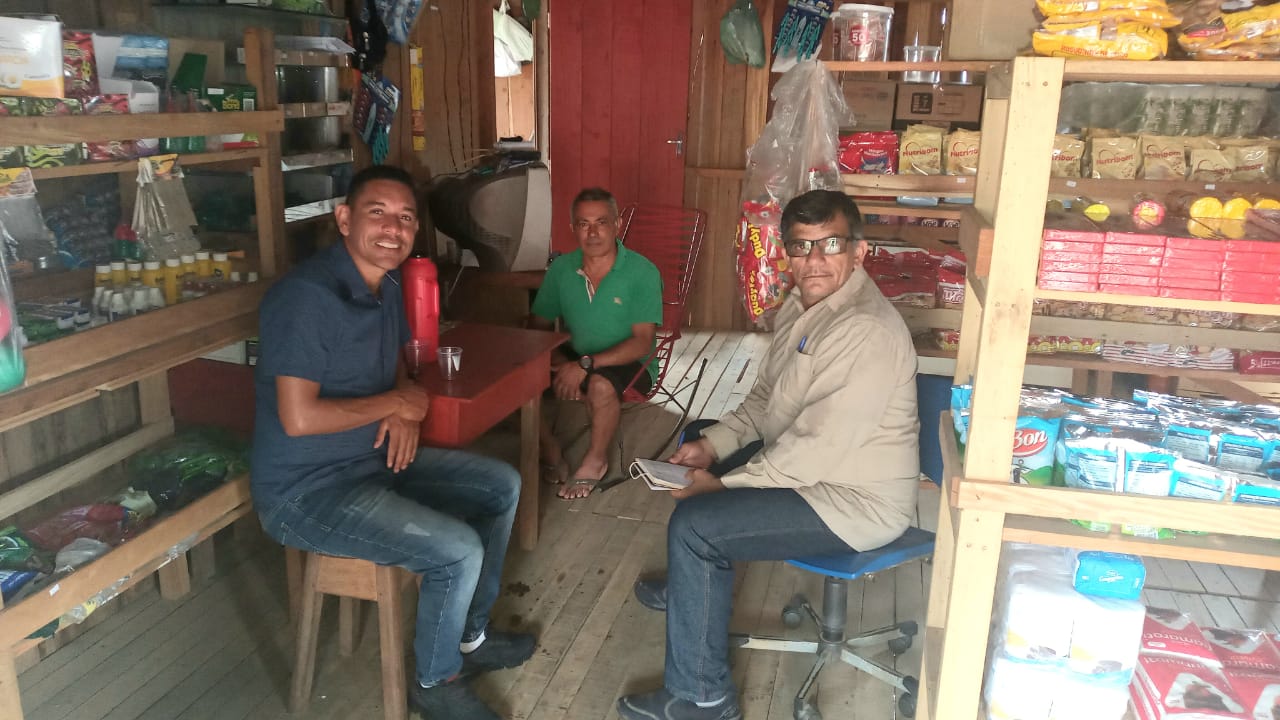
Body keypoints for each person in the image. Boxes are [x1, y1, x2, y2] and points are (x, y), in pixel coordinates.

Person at [615, 189, 921, 720]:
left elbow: (814, 452)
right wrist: (710, 446)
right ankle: (693, 591)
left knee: (696, 526)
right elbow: (764, 400)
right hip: (812, 468)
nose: (815, 260)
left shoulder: (864, 330)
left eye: (830, 244)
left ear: (859, 252)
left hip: (853, 502)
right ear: (787, 253)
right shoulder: (802, 307)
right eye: (802, 246)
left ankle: (703, 698)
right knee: (700, 437)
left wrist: (720, 485)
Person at [250, 165, 534, 720]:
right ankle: (435, 682)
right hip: (305, 492)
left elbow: (401, 369)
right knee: (457, 550)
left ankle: (471, 637)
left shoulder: (390, 285)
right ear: (344, 219)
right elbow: (298, 418)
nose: (394, 228)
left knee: (500, 484)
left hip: (371, 459)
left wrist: (403, 408)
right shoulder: (307, 298)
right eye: (377, 212)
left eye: (406, 217)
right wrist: (395, 404)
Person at [530, 187, 664, 499]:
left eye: (601, 222)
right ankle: (550, 450)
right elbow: (537, 329)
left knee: (600, 385)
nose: (592, 233)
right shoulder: (562, 270)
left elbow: (642, 343)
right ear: (572, 228)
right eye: (583, 224)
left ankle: (596, 460)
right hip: (577, 354)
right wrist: (560, 364)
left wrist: (583, 367)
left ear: (617, 225)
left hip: (631, 362)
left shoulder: (642, 272)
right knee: (517, 378)